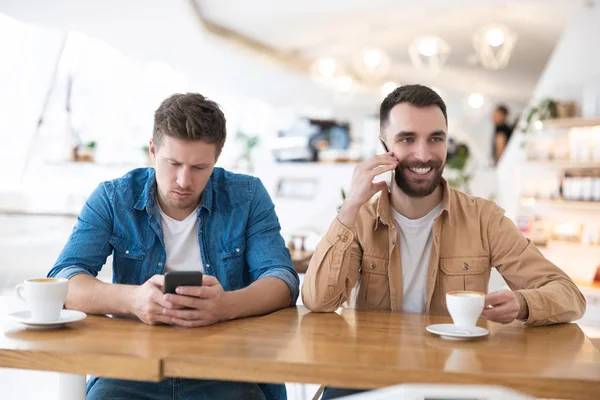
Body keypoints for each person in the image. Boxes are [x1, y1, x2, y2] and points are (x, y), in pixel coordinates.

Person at [301, 85, 585, 399]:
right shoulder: (360, 219)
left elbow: (569, 295)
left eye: (435, 138)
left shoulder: (483, 218)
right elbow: (317, 301)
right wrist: (350, 206)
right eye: (407, 139)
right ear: (383, 146)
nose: (423, 155)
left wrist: (522, 303)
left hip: (454, 379)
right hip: (372, 374)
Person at [48, 93, 299, 400]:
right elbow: (63, 280)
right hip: (132, 367)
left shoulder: (246, 196)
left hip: (228, 367)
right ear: (153, 150)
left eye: (199, 167)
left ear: (216, 160)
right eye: (173, 163)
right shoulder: (114, 199)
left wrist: (225, 307)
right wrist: (134, 300)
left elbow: (282, 279)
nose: (183, 180)